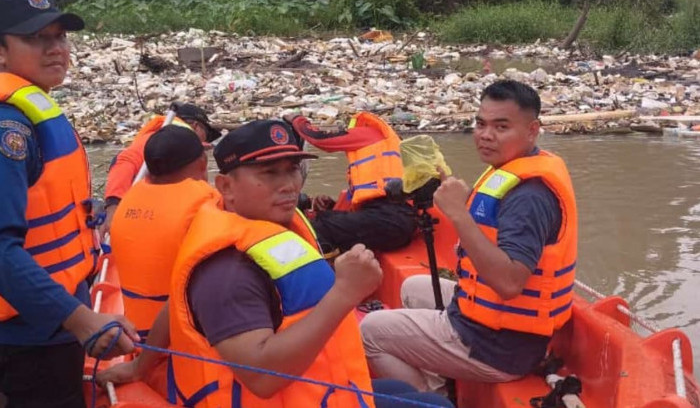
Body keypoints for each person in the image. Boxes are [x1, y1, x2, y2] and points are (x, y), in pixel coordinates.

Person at [97, 120, 453, 408]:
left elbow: (174, 308)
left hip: (317, 386)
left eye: (292, 170)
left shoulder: (252, 226)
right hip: (280, 392)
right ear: (226, 186)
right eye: (269, 174)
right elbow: (262, 378)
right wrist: (345, 293)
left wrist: (141, 367)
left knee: (405, 394)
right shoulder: (227, 271)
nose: (288, 185)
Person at [360, 80, 578, 392]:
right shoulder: (511, 167)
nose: (486, 135)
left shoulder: (529, 197)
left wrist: (458, 215)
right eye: (480, 124)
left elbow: (509, 283)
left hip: (497, 347)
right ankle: (440, 381)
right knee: (412, 288)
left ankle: (431, 399)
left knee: (370, 330)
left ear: (532, 130)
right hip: (494, 327)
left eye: (501, 127)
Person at [0, 0, 137, 407]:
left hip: (51, 319)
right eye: (37, 38)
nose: (56, 48)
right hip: (28, 336)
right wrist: (82, 320)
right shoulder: (10, 131)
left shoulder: (31, 113)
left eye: (60, 36)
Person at [110, 125, 222, 340]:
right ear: (202, 164)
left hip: (137, 337)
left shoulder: (128, 201)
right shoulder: (206, 202)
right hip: (182, 343)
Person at [285, 112, 416, 253]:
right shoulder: (384, 151)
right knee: (327, 217)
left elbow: (320, 138)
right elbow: (368, 200)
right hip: (395, 219)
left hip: (390, 219)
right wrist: (332, 205)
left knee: (321, 226)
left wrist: (297, 120)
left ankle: (317, 271)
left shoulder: (369, 134)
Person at [100, 102, 221, 236]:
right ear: (196, 127)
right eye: (207, 135)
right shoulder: (160, 140)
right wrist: (113, 206)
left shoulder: (172, 145)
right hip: (141, 213)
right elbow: (124, 162)